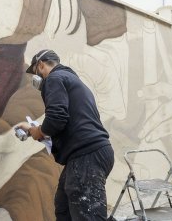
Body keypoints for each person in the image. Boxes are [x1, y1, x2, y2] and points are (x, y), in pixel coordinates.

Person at [17, 49, 115, 220]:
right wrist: (39, 129)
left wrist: (37, 131)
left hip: (86, 156)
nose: (36, 79)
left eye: (35, 73)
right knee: (64, 209)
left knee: (87, 215)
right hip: (90, 154)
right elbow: (66, 120)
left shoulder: (54, 78)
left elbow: (56, 118)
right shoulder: (72, 80)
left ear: (40, 65)